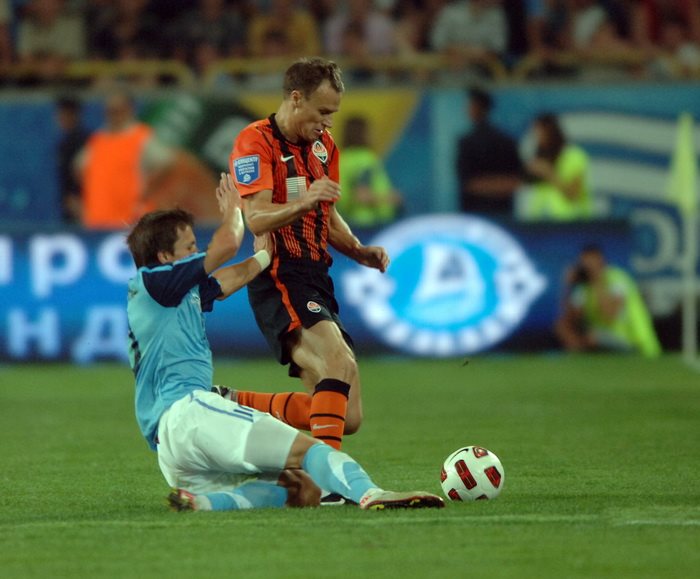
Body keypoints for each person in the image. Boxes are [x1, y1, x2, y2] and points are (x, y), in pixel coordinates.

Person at [125, 172, 444, 512]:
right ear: (164, 256)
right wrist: (234, 211)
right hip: (190, 415)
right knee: (312, 452)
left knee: (301, 488)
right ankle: (371, 494)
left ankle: (203, 503)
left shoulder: (171, 294)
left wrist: (264, 256)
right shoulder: (153, 282)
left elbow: (224, 282)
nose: (197, 252)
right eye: (189, 247)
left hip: (171, 448)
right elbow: (227, 245)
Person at [229, 57, 390, 451]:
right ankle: (327, 476)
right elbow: (256, 218)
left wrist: (358, 250)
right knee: (340, 363)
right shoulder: (255, 141)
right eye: (322, 112)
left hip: (317, 276)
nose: (328, 122)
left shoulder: (324, 148)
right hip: (280, 274)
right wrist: (305, 201)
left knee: (347, 416)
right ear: (297, 98)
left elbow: (328, 216)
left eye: (333, 113)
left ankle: (231, 404)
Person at [75, 89, 175, 229]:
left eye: (117, 110)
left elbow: (166, 164)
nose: (113, 116)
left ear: (129, 109)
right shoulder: (98, 139)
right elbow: (79, 167)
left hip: (131, 221)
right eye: (110, 111)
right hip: (98, 221)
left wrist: (145, 190)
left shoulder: (141, 137)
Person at [554, 245, 661, 358]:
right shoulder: (584, 287)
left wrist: (597, 282)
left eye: (592, 264)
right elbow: (571, 319)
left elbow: (610, 315)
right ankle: (578, 359)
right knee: (562, 327)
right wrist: (567, 286)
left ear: (602, 262)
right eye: (585, 265)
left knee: (593, 337)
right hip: (602, 339)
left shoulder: (618, 279)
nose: (589, 268)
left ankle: (582, 355)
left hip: (635, 342)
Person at [456, 87, 523, 217]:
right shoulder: (506, 140)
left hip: (477, 214)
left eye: (471, 105)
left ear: (479, 108)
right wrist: (499, 186)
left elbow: (515, 181)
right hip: (500, 213)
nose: (467, 109)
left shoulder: (467, 143)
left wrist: (485, 186)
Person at [521, 112, 593, 221]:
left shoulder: (574, 156)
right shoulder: (540, 158)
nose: (537, 137)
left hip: (571, 222)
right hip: (540, 222)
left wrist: (549, 174)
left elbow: (573, 195)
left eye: (540, 132)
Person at [337, 115, 403, 227]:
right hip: (369, 223)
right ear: (364, 134)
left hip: (347, 221)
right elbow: (362, 195)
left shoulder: (342, 159)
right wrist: (391, 198)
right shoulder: (366, 159)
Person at [55, 95, 89, 224]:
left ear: (73, 115)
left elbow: (81, 173)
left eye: (63, 114)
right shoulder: (64, 142)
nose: (59, 118)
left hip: (80, 202)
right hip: (70, 202)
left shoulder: (84, 141)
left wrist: (76, 197)